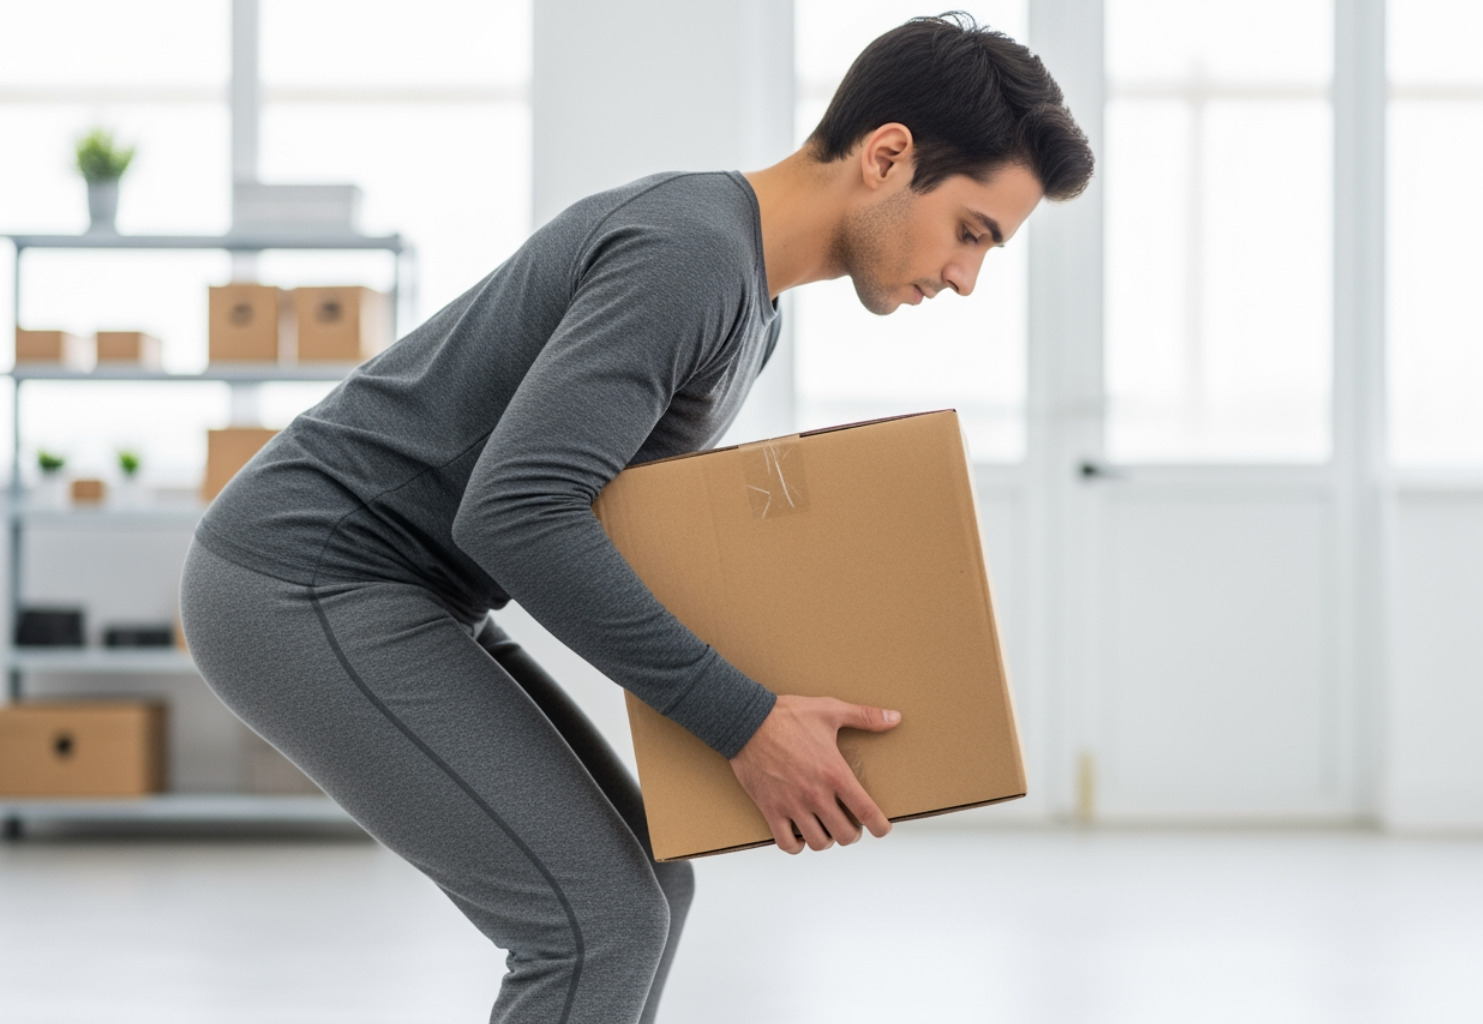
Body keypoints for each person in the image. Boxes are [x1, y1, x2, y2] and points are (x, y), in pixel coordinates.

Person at [179, 12, 1092, 1024]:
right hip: (303, 577)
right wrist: (744, 720)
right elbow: (518, 514)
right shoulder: (691, 258)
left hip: (411, 588)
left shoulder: (750, 303)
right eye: (972, 231)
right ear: (887, 156)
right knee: (594, 924)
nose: (965, 277)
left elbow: (617, 524)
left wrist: (777, 699)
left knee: (654, 887)